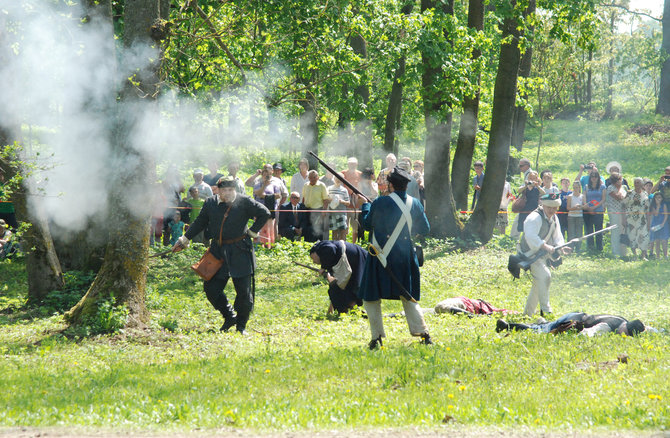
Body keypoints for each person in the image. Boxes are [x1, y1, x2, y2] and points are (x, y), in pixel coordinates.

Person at [172, 176, 271, 335]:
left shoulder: (244, 201)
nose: (228, 193)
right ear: (218, 190)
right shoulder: (210, 203)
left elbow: (264, 212)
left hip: (240, 251)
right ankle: (229, 316)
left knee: (244, 292)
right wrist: (185, 239)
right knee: (211, 288)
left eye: (231, 190)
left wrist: (253, 231)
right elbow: (200, 222)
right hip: (218, 250)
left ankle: (241, 326)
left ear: (235, 189)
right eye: (224, 190)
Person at [359, 167, 432, 349]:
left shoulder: (379, 202)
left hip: (380, 256)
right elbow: (425, 229)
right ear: (406, 186)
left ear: (390, 184)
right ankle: (423, 333)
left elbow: (367, 224)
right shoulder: (415, 203)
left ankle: (376, 338)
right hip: (405, 256)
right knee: (408, 296)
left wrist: (366, 206)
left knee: (371, 297)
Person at [518, 193, 572, 316]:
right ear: (543, 205)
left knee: (539, 283)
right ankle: (546, 311)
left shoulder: (554, 218)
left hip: (541, 254)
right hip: (529, 254)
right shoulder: (534, 218)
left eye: (554, 208)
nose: (552, 210)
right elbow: (531, 237)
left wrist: (561, 248)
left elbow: (557, 237)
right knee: (545, 277)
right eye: (549, 207)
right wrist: (546, 246)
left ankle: (528, 313)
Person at [309, 240, 366, 314]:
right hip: (354, 258)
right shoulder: (328, 256)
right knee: (342, 285)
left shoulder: (321, 248)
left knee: (343, 286)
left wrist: (324, 267)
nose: (314, 262)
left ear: (314, 253)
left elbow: (331, 249)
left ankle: (349, 309)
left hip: (355, 258)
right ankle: (353, 308)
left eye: (313, 258)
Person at [496, 312, 649, 337]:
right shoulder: (608, 326)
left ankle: (543, 322)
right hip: (572, 320)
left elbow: (651, 329)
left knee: (544, 326)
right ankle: (505, 325)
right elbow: (587, 335)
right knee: (539, 331)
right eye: (626, 334)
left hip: (578, 314)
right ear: (626, 328)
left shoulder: (623, 320)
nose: (623, 335)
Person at [253, 164, 282, 248]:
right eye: (265, 172)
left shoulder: (274, 184)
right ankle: (259, 245)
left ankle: (269, 245)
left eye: (268, 173)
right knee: (260, 227)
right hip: (259, 210)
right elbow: (257, 193)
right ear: (262, 173)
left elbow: (278, 195)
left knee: (270, 228)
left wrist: (264, 196)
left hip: (270, 210)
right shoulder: (258, 182)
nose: (266, 175)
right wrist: (264, 185)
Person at [623, 177, 650, 260]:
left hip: (642, 219)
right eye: (635, 182)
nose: (636, 184)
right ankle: (634, 255)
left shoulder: (645, 194)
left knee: (644, 236)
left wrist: (649, 221)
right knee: (632, 237)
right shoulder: (629, 193)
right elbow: (623, 205)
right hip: (631, 219)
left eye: (638, 182)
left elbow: (647, 208)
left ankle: (643, 256)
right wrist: (623, 219)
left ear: (642, 184)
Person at [302, 170, 331, 241]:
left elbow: (326, 199)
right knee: (307, 229)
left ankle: (319, 245)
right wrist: (302, 208)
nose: (312, 179)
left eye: (314, 177)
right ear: (308, 178)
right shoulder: (306, 185)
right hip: (307, 210)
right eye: (310, 177)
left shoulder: (321, 185)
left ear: (317, 177)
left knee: (318, 229)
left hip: (318, 210)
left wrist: (324, 211)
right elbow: (303, 197)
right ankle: (308, 243)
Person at [510, 158, 534, 240]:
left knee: (520, 219)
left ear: (527, 166)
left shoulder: (530, 174)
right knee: (520, 219)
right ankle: (515, 237)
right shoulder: (527, 174)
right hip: (526, 200)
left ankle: (514, 237)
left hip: (528, 201)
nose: (519, 168)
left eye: (521, 166)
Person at [583, 169, 606, 252]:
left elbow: (603, 199)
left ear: (598, 177)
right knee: (589, 230)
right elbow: (584, 196)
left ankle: (599, 248)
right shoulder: (586, 186)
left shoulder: (602, 187)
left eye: (596, 176)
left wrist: (595, 207)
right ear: (590, 178)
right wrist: (587, 206)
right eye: (592, 176)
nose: (594, 178)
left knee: (599, 230)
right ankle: (590, 248)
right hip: (588, 211)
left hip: (598, 211)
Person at [354, 168, 378, 243]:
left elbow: (375, 194)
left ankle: (370, 241)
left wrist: (370, 184)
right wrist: (369, 197)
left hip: (373, 205)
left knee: (372, 224)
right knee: (361, 225)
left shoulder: (374, 184)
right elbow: (360, 195)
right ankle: (361, 241)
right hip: (363, 205)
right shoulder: (360, 184)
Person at [605, 172, 627, 257]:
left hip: (623, 213)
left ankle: (623, 252)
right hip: (614, 212)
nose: (620, 182)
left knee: (623, 231)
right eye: (619, 180)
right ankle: (615, 252)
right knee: (615, 232)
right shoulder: (611, 188)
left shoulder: (623, 188)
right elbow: (619, 198)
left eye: (621, 180)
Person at [327, 174, 352, 241]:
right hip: (332, 213)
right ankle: (335, 247)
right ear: (334, 179)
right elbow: (326, 200)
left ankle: (343, 247)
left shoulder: (344, 190)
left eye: (340, 179)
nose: (338, 180)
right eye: (337, 178)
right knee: (334, 232)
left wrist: (341, 201)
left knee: (343, 231)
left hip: (342, 213)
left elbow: (348, 203)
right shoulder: (329, 188)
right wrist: (331, 199)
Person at [566, 180, 585, 252]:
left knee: (579, 233)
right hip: (571, 216)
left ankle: (578, 249)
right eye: (574, 187)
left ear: (579, 187)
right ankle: (570, 248)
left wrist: (581, 207)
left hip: (579, 216)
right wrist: (574, 208)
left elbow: (585, 206)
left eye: (576, 187)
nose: (575, 189)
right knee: (571, 233)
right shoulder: (570, 196)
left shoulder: (582, 196)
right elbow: (568, 208)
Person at [649, 192, 669, 259]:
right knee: (657, 241)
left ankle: (665, 255)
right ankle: (658, 256)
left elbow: (666, 215)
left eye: (659, 197)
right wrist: (657, 206)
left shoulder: (664, 205)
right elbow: (656, 214)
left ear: (662, 198)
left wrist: (663, 223)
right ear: (654, 198)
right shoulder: (653, 206)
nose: (658, 199)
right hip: (655, 224)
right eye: (656, 198)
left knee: (664, 240)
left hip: (663, 223)